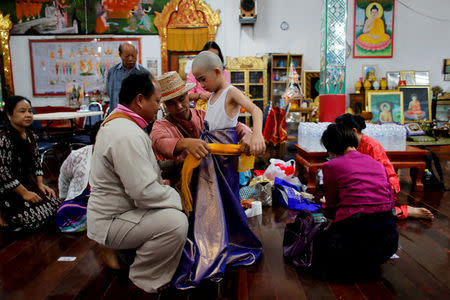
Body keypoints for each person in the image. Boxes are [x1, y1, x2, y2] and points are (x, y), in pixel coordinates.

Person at [169, 51, 265, 289]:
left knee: (226, 202)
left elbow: (256, 111)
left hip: (223, 159)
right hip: (210, 159)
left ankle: (225, 242)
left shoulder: (231, 92)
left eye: (203, 79)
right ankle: (212, 241)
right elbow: (196, 93)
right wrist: (192, 90)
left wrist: (257, 134)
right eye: (198, 80)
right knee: (211, 204)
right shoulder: (211, 96)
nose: (201, 84)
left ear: (217, 72)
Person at [87, 74, 188, 293]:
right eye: (158, 101)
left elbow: (140, 169)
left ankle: (126, 254)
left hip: (120, 212)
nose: (159, 107)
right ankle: (144, 278)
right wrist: (177, 199)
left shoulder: (122, 122)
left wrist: (173, 164)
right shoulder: (125, 133)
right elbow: (143, 191)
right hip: (113, 219)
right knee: (176, 223)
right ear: (140, 100)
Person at [313, 123, 398, 277]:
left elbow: (331, 207)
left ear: (331, 148)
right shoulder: (378, 165)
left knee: (317, 240)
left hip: (352, 240)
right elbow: (389, 200)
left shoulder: (332, 166)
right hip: (388, 242)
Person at [335, 113, 433, 220]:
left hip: (383, 186)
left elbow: (380, 176)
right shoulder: (350, 145)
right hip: (364, 185)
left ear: (354, 131)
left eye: (341, 133)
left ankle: (405, 211)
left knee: (365, 212)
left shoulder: (372, 145)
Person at [150, 71, 252, 165]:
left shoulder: (204, 115)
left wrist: (247, 135)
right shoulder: (161, 126)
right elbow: (158, 142)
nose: (179, 106)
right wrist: (184, 143)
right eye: (171, 103)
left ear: (188, 96)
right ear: (165, 105)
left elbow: (236, 126)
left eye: (181, 99)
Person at [0, 96, 61, 232]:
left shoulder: (30, 135)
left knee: (57, 205)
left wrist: (40, 185)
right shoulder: (4, 139)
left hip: (28, 185)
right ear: (9, 114)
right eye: (22, 111)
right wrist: (24, 193)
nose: (28, 115)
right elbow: (3, 172)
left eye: (30, 111)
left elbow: (36, 162)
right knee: (35, 218)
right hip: (9, 190)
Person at [56, 122, 101, 233]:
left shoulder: (118, 155)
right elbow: (64, 176)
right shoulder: (78, 155)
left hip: (104, 200)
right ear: (95, 136)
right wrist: (63, 196)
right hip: (82, 199)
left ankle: (96, 220)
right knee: (64, 210)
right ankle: (96, 220)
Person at [106, 42, 149, 113]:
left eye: (133, 56)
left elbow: (148, 97)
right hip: (116, 116)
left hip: (137, 117)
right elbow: (110, 93)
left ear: (137, 54)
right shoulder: (113, 72)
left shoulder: (144, 73)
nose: (130, 59)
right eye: (127, 56)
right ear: (120, 55)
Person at [186, 42, 230, 109]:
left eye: (215, 57)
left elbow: (227, 92)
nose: (202, 85)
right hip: (201, 112)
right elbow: (187, 96)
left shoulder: (223, 72)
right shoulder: (194, 72)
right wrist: (200, 96)